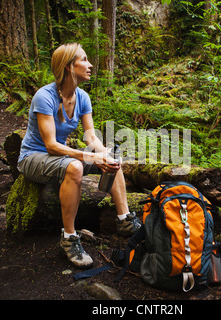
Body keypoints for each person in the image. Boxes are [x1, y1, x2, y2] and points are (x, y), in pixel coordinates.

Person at [17, 43, 141, 269]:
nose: (90, 64)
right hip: (33, 158)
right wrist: (92, 159)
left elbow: (91, 138)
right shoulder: (44, 97)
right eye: (83, 59)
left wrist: (104, 155)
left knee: (112, 158)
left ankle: (125, 220)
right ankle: (69, 238)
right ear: (67, 66)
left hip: (58, 159)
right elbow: (51, 145)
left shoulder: (82, 97)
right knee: (75, 166)